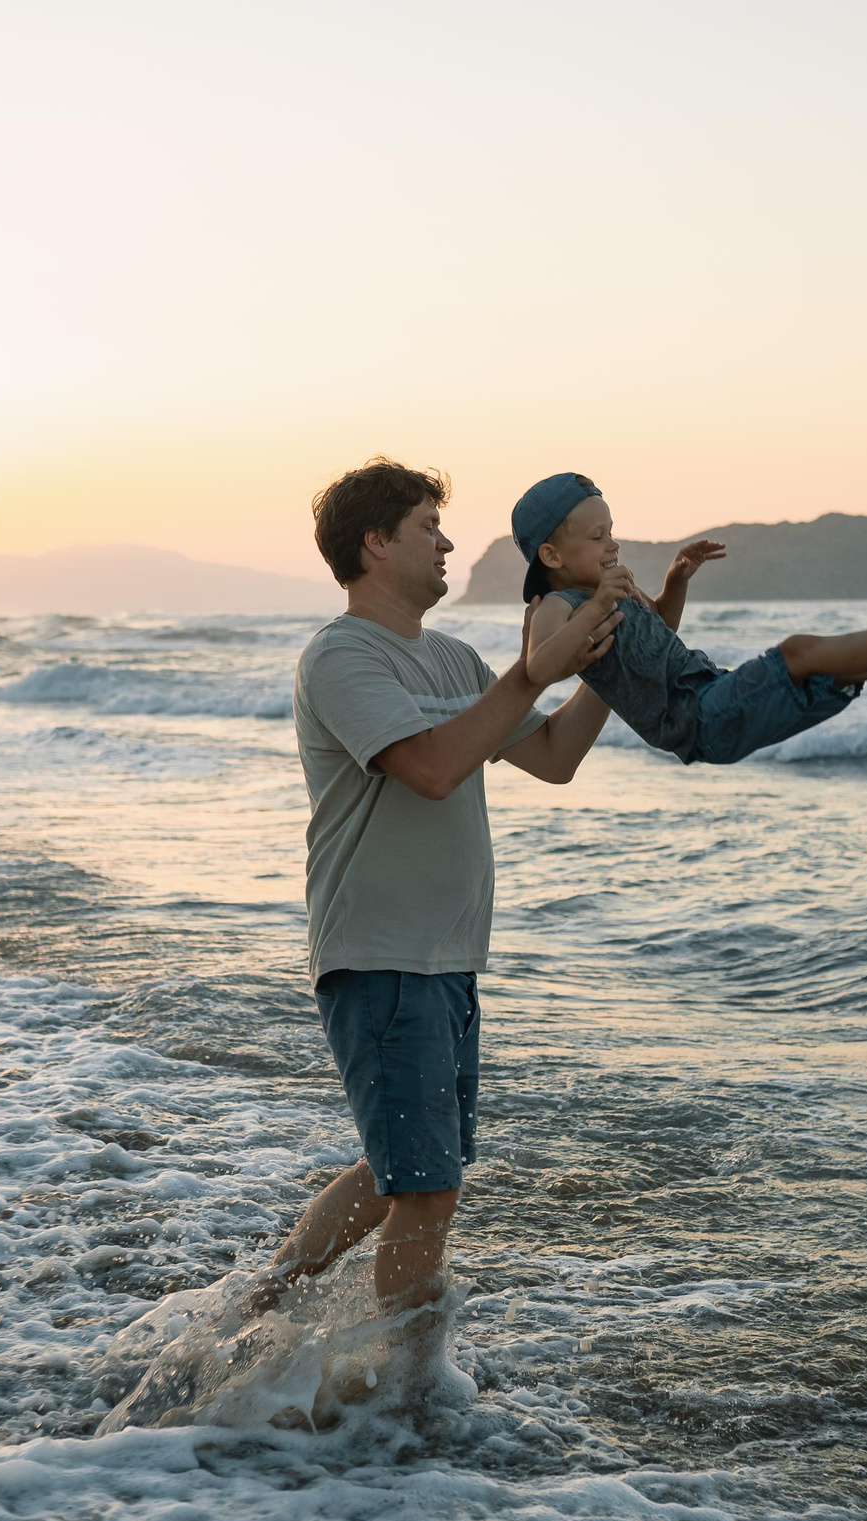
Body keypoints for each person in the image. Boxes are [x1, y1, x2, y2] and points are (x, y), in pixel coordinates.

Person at [254, 457, 623, 1319]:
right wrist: (532, 671)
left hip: (443, 957)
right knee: (427, 1188)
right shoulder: (341, 656)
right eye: (428, 525)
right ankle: (403, 1398)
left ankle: (263, 1304)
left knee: (408, 1174)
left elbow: (555, 757)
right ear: (376, 544)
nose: (448, 539)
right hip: (379, 953)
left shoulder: (455, 657)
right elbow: (428, 768)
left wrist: (613, 652)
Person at [515, 472, 867, 767]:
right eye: (597, 537)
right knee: (801, 649)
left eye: (612, 530)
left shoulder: (614, 588)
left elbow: (659, 634)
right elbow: (540, 668)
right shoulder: (557, 608)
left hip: (713, 693)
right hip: (697, 721)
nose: (613, 543)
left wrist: (675, 581)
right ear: (552, 557)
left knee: (861, 664)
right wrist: (593, 607)